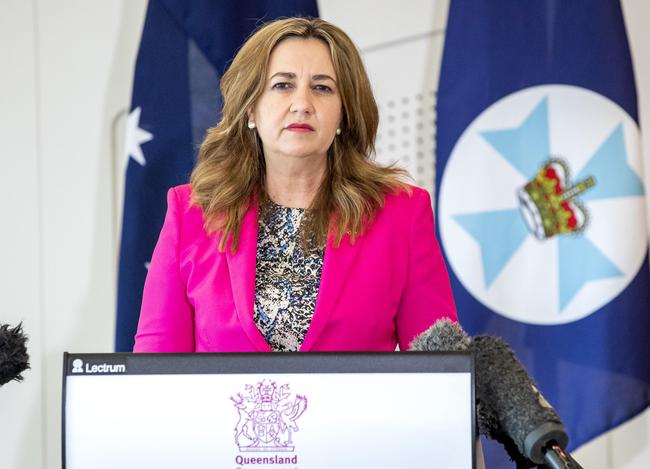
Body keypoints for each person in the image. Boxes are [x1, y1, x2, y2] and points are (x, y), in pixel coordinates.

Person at [133, 17, 457, 353]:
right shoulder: (191, 215)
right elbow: (155, 371)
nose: (302, 104)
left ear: (343, 114)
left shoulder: (401, 215)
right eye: (283, 85)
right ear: (250, 109)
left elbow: (439, 367)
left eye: (322, 87)